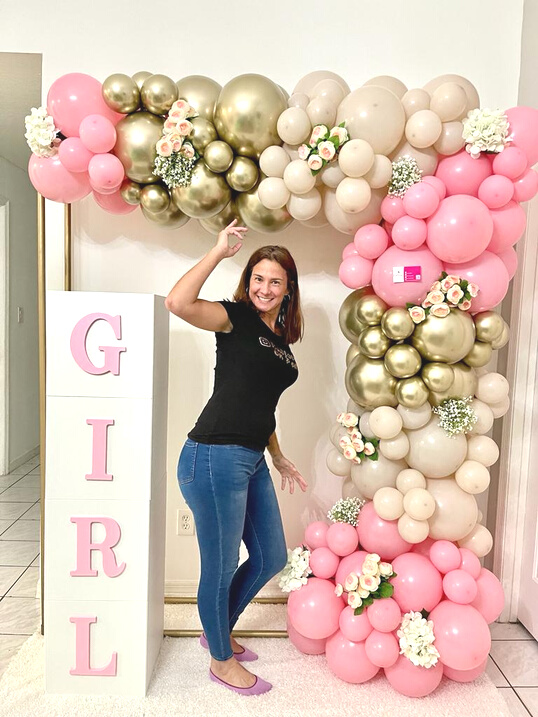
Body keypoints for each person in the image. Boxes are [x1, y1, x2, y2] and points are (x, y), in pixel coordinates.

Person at [165, 219, 308, 696]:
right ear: (248, 281)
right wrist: (217, 252)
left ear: (289, 289)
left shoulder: (282, 344)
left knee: (270, 556)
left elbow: (261, 405)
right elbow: (177, 303)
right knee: (222, 564)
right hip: (212, 455)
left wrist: (278, 455)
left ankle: (217, 631)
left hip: (251, 457)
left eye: (275, 281)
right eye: (257, 278)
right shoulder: (234, 318)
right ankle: (220, 660)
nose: (265, 288)